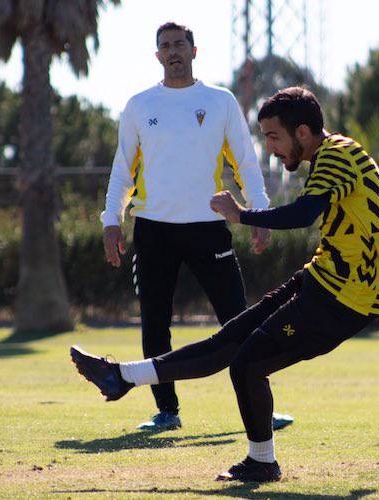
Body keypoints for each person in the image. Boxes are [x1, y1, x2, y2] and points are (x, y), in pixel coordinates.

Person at [74, 86, 379, 482]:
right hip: (322, 279)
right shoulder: (344, 151)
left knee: (247, 362)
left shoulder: (334, 157)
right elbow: (377, 214)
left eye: (273, 137)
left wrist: (243, 215)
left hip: (342, 300)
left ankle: (262, 461)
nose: (271, 149)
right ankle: (121, 377)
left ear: (301, 132)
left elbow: (303, 214)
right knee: (229, 341)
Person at [101, 21, 293, 432]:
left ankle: (262, 407)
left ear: (193, 50)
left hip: (208, 227)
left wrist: (258, 214)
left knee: (239, 320)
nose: (172, 51)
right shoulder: (139, 105)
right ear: (157, 55)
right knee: (155, 323)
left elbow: (245, 163)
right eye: (164, 46)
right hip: (153, 229)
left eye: (179, 44)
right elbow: (123, 171)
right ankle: (166, 411)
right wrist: (111, 221)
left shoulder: (220, 102)